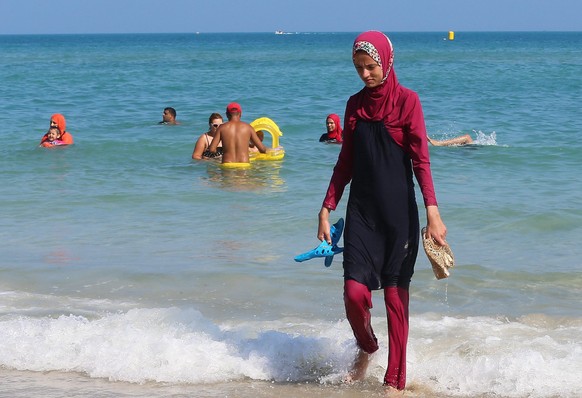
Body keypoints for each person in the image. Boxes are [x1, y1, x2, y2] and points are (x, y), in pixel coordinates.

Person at [316, 31, 447, 393]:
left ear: (387, 62)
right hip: (362, 214)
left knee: (393, 297)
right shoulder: (354, 105)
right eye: (359, 68)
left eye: (371, 67)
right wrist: (326, 208)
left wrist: (432, 211)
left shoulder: (408, 102)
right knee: (354, 293)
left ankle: (395, 382)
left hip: (398, 218)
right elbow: (346, 162)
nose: (365, 74)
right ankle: (367, 346)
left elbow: (421, 160)